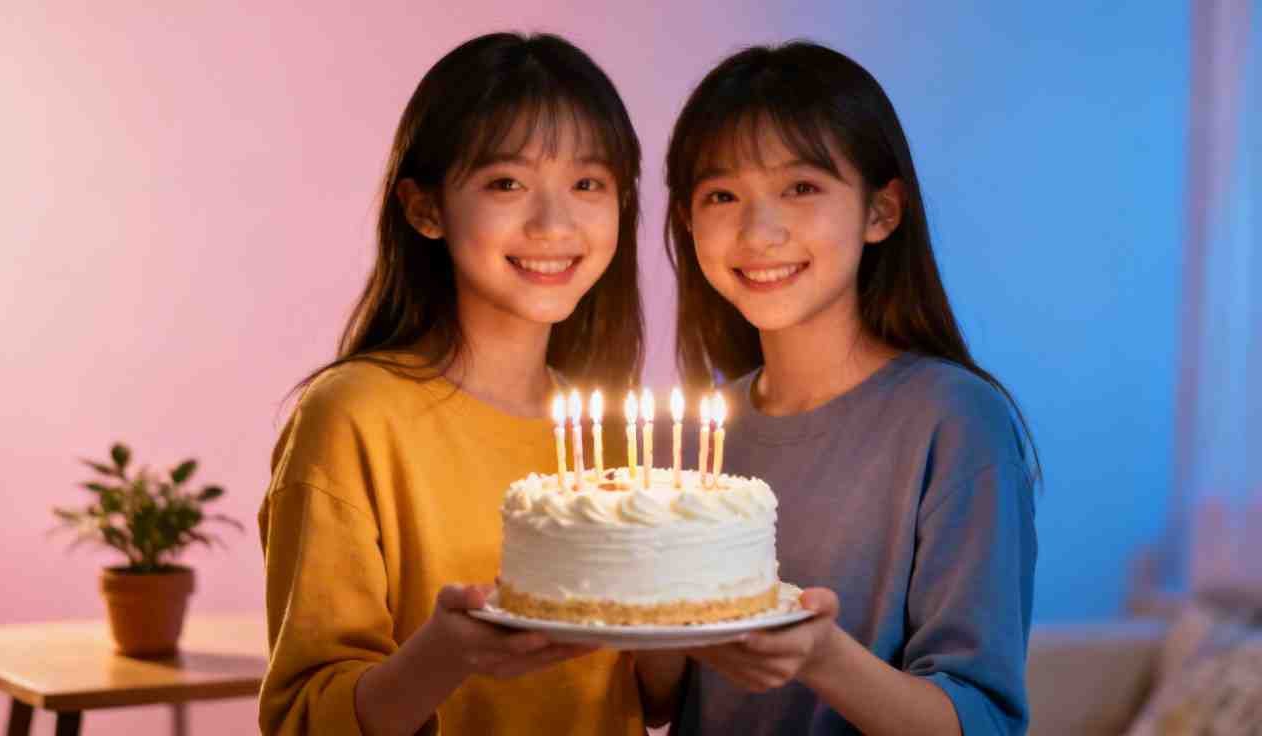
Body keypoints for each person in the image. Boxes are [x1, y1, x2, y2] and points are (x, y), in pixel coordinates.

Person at [635, 41, 1039, 735]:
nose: (758, 231)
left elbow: (980, 721)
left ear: (881, 211)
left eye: (801, 187)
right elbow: (661, 703)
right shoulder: (694, 435)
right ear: (688, 222)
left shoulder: (954, 419)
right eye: (722, 196)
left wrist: (821, 655)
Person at [257, 32, 646, 736]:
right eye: (507, 184)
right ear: (425, 209)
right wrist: (444, 655)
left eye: (588, 183)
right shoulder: (353, 416)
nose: (554, 223)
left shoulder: (614, 434)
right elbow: (302, 718)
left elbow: (651, 695)